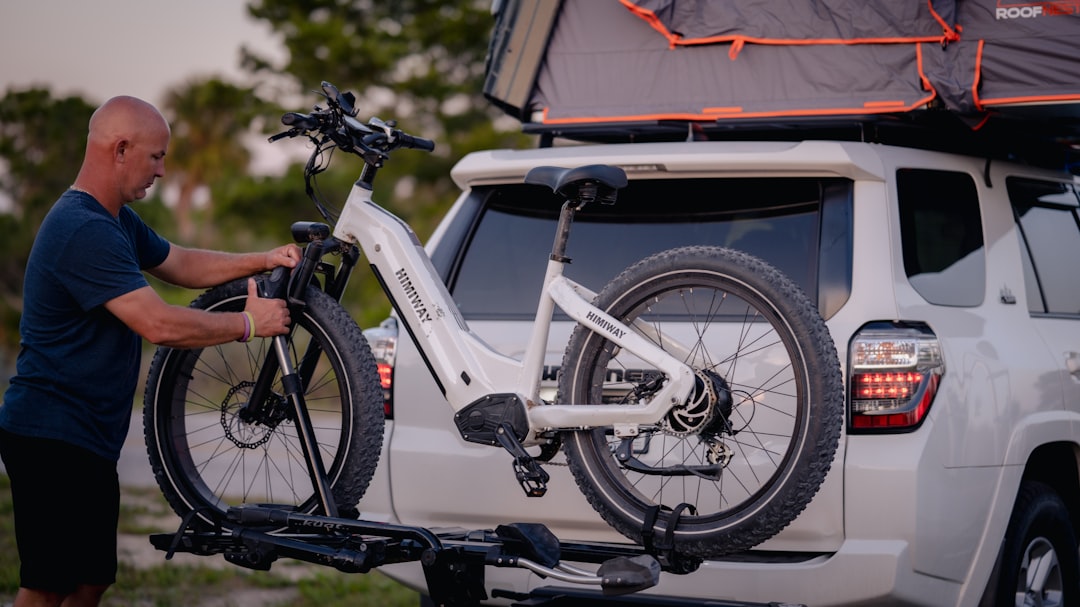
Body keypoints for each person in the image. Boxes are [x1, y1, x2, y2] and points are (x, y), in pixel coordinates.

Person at [0, 95, 301, 607]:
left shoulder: (114, 219)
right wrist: (250, 324)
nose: (162, 170)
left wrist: (262, 259)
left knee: (90, 582)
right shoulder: (82, 227)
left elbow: (180, 263)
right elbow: (157, 323)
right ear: (120, 149)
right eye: (156, 156)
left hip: (87, 437)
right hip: (50, 433)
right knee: (47, 587)